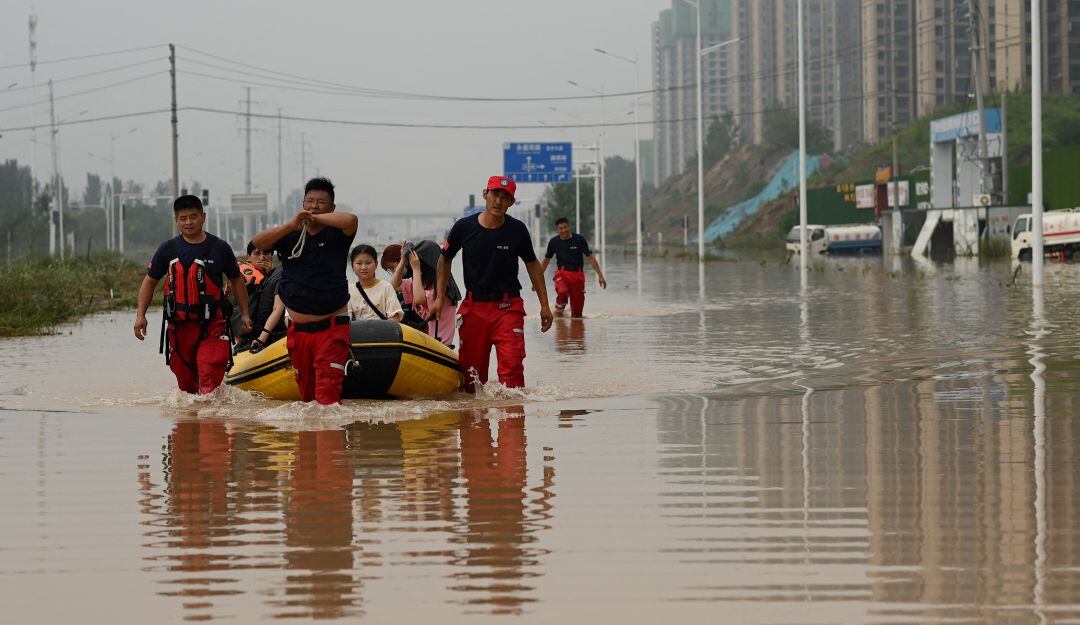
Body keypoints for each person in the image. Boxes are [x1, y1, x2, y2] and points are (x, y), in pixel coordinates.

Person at [430, 175, 553, 392]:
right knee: (472, 378)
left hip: (508, 307)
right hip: (474, 308)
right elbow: (445, 259)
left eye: (505, 197)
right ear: (485, 194)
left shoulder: (517, 230)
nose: (499, 201)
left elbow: (532, 264)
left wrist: (545, 304)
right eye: (495, 194)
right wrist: (439, 298)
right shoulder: (463, 227)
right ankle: (476, 424)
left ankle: (513, 421)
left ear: (511, 203)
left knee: (512, 370)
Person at [250, 177, 358, 405]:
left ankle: (330, 437)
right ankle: (309, 439)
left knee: (326, 398)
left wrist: (315, 218)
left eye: (321, 202)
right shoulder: (289, 234)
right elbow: (258, 242)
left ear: (332, 208)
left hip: (331, 328)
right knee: (306, 399)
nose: (314, 206)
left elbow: (351, 220)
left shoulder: (338, 233)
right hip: (298, 332)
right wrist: (292, 225)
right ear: (302, 203)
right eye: (309, 201)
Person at [134, 195, 252, 395]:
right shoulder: (167, 250)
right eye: (183, 218)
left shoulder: (220, 248)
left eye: (193, 216)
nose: (188, 222)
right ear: (176, 221)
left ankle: (211, 424)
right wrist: (140, 315)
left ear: (203, 217)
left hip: (213, 327)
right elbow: (150, 281)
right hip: (180, 329)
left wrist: (245, 314)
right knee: (187, 391)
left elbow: (236, 280)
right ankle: (190, 424)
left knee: (208, 386)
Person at [390, 240, 459, 346]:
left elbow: (419, 299)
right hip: (428, 343)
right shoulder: (421, 284)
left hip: (441, 345)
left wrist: (416, 269)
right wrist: (403, 260)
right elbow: (394, 285)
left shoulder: (441, 290)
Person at [541, 217, 607, 318]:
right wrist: (537, 279)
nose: (563, 230)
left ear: (569, 227)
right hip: (562, 273)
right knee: (562, 291)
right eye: (561, 228)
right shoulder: (554, 242)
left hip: (578, 276)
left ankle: (575, 331)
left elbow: (590, 258)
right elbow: (546, 260)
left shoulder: (579, 239)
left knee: (577, 315)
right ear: (557, 230)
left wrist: (600, 276)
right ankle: (559, 310)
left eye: (565, 227)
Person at [233, 241, 285, 349]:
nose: (262, 258)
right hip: (246, 329)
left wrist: (268, 273)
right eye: (257, 254)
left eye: (266, 253)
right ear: (248, 257)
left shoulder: (272, 274)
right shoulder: (243, 273)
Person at [347, 244, 403, 322]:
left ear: (376, 264)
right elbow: (346, 320)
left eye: (368, 263)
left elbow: (395, 317)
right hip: (358, 333)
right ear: (352, 266)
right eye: (359, 263)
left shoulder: (386, 287)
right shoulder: (349, 291)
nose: (364, 267)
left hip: (384, 332)